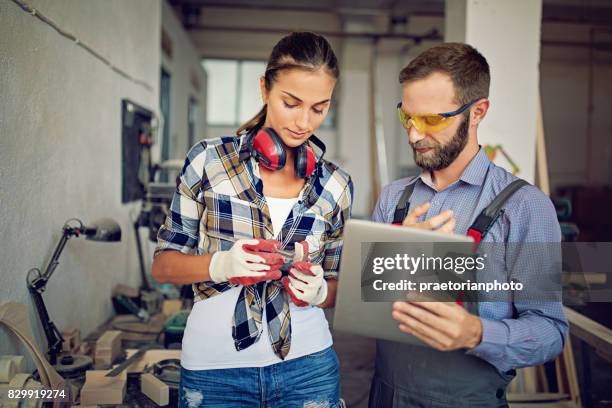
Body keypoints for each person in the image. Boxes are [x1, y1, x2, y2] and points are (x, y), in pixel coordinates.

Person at [152, 32, 353, 408]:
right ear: (265, 88)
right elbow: (163, 266)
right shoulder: (208, 161)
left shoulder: (336, 184)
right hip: (215, 371)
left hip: (309, 368)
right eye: (291, 102)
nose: (303, 121)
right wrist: (221, 264)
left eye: (319, 108)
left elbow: (337, 282)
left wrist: (322, 292)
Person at [369, 43, 568, 407]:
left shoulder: (525, 207)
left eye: (432, 120)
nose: (414, 135)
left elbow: (550, 332)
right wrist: (395, 261)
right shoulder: (393, 199)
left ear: (477, 112)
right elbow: (367, 303)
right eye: (407, 118)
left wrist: (477, 333)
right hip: (387, 395)